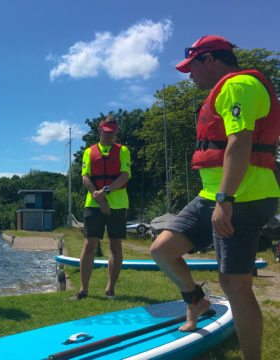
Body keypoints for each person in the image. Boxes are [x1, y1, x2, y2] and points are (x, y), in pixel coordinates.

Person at [150, 35, 280, 360]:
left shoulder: (239, 85)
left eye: (191, 67)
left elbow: (239, 143)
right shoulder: (223, 90)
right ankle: (196, 300)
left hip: (242, 198)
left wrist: (226, 199)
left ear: (209, 59)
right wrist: (217, 198)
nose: (189, 75)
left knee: (235, 286)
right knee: (162, 250)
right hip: (212, 196)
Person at [73, 115, 131, 300]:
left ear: (116, 132)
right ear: (99, 131)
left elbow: (124, 176)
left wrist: (105, 191)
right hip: (94, 204)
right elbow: (85, 177)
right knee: (89, 244)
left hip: (118, 204)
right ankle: (83, 290)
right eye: (106, 132)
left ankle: (110, 289)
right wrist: (100, 199)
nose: (109, 135)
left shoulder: (123, 151)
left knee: (115, 245)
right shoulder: (89, 152)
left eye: (112, 132)